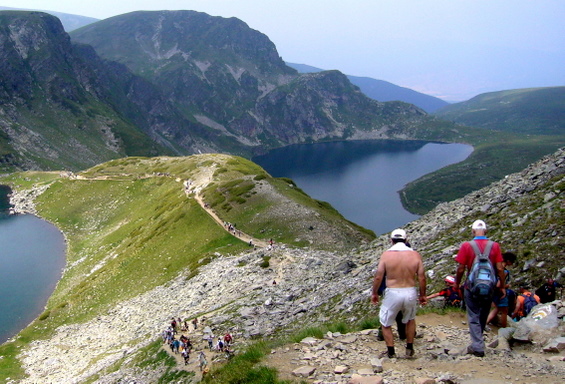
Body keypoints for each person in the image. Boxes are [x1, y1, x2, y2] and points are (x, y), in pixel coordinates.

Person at [371, 228, 427, 358]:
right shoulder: (415, 255)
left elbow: (379, 277)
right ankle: (409, 347)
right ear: (406, 239)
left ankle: (391, 352)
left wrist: (374, 292)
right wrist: (422, 295)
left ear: (391, 240)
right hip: (410, 290)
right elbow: (422, 277)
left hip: (393, 291)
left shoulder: (386, 255)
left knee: (385, 323)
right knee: (410, 319)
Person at [455, 220, 505, 358]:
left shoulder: (467, 246)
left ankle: (477, 346)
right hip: (489, 287)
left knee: (473, 315)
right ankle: (478, 341)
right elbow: (500, 268)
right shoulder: (494, 246)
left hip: (471, 286)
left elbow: (460, 268)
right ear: (486, 231)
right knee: (483, 313)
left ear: (473, 231)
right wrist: (502, 284)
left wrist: (456, 283)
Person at [487, 251, 517, 328]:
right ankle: (504, 328)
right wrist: (505, 286)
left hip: (492, 290)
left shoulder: (495, 267)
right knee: (504, 311)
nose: (512, 264)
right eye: (512, 262)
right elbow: (499, 284)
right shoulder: (504, 271)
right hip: (500, 292)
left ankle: (485, 322)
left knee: (496, 308)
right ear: (508, 261)